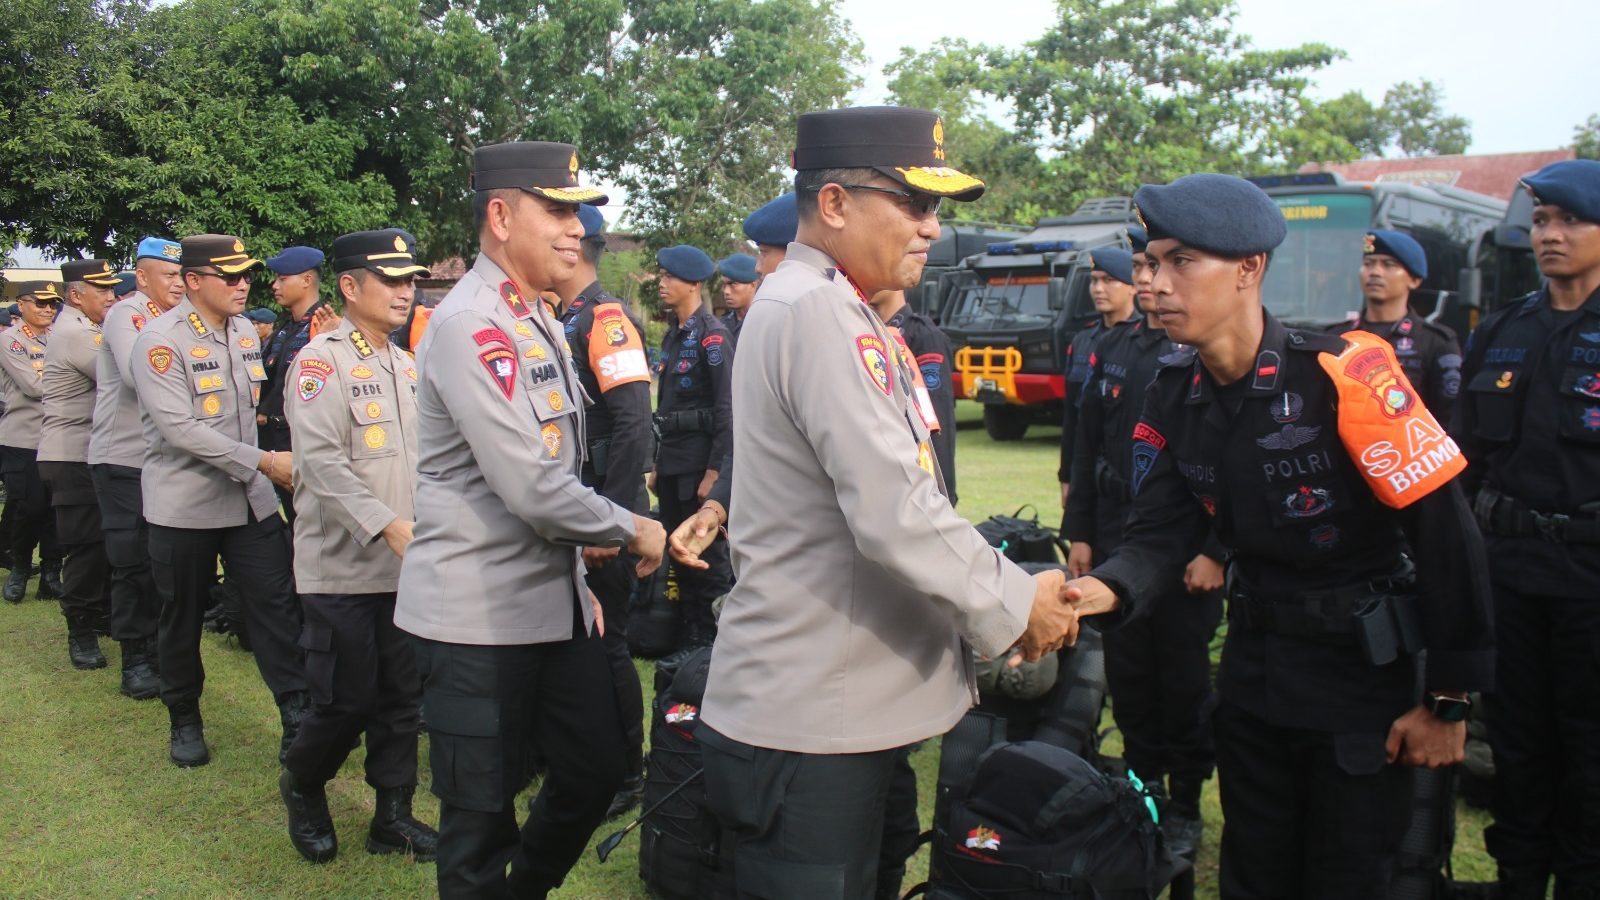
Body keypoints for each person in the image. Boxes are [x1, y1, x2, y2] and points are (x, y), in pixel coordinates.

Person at [1066, 173, 1493, 899]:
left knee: (1348, 876)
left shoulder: (1343, 375)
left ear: (1248, 269)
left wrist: (1449, 702)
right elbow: (1159, 535)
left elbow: (1447, 538)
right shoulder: (1172, 392)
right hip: (1254, 676)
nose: (1155, 284)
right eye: (1153, 264)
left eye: (1181, 262)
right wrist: (1094, 593)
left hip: (1360, 680)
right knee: (1254, 871)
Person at [697, 106, 1085, 898]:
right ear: (835, 203)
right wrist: (1020, 602)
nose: (931, 226)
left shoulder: (837, 306)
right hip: (813, 716)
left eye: (935, 206)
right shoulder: (815, 311)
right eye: (913, 201)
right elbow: (894, 512)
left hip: (845, 703)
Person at [393, 140, 665, 898]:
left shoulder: (534, 315)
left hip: (552, 604)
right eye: (558, 211)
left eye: (579, 214)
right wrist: (633, 526)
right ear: (502, 216)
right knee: (479, 820)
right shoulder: (470, 323)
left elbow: (559, 467)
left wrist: (579, 575)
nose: (577, 229)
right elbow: (534, 487)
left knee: (598, 768)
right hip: (475, 617)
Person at [1452, 158, 1600, 900]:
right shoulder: (1505, 329)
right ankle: (1517, 880)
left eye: (1570, 220)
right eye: (1541, 221)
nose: (1551, 234)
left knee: (1590, 758)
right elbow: (1465, 459)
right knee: (1516, 747)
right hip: (1508, 576)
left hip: (1590, 587)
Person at [277, 228, 438, 865]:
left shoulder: (407, 365)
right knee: (345, 700)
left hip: (406, 570)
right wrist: (389, 525)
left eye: (410, 280)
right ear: (349, 286)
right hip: (342, 570)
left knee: (401, 699)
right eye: (391, 280)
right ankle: (304, 782)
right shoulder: (320, 364)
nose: (405, 291)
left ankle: (391, 816)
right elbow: (319, 465)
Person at [1062, 238, 1223, 855]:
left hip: (1185, 544)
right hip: (1116, 529)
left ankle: (1185, 801)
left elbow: (1230, 465)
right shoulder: (1114, 347)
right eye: (1141, 266)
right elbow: (1086, 444)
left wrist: (1216, 550)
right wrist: (1080, 532)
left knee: (1182, 676)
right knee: (1128, 673)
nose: (1150, 278)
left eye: (1158, 266)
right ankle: (1141, 787)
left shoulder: (1201, 349)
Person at [129, 233, 307, 769]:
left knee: (276, 609)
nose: (243, 284)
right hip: (186, 504)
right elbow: (181, 430)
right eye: (229, 276)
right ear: (193, 281)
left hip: (248, 502)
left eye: (246, 274)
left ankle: (297, 716)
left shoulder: (245, 333)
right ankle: (184, 716)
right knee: (181, 616)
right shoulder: (159, 341)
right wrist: (264, 462)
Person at [548, 202, 654, 820]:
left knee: (607, 644)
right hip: (573, 506)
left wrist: (611, 524)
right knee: (572, 644)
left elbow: (634, 425)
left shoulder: (605, 320)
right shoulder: (561, 318)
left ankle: (628, 772)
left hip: (603, 514)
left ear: (574, 249)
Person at [88, 236, 184, 700]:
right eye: (169, 275)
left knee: (159, 561)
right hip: (123, 456)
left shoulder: (178, 319)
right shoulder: (129, 313)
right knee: (132, 562)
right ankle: (135, 660)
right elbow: (138, 374)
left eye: (181, 275)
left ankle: (157, 650)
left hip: (159, 459)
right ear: (142, 277)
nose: (178, 284)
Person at [37, 259, 120, 670]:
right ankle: (81, 629)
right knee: (88, 546)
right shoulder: (77, 333)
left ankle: (99, 615)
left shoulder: (85, 329)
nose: (111, 297)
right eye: (102, 290)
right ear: (75, 295)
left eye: (112, 289)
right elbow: (126, 374)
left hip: (83, 452)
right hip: (72, 453)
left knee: (103, 543)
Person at [652, 243, 734, 650]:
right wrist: (657, 465)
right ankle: (689, 638)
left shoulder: (712, 336)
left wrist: (715, 473)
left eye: (670, 277)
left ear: (694, 284)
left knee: (707, 561)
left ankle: (710, 645)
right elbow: (667, 407)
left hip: (699, 469)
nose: (661, 283)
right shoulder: (674, 335)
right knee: (679, 555)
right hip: (672, 465)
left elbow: (727, 409)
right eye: (662, 275)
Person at [1332, 229, 1462, 428]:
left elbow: (1449, 416)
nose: (1375, 272)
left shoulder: (1436, 342)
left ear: (1414, 280)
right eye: (1368, 264)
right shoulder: (1336, 337)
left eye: (1388, 265)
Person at [1058, 241, 1139, 511]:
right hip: (1087, 467)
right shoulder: (1082, 341)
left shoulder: (1145, 340)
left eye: (1109, 280)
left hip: (1126, 474)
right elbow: (1071, 418)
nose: (1098, 289)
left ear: (1132, 286)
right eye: (1094, 281)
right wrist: (1066, 476)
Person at [0, 281, 64, 603]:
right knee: (29, 507)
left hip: (60, 437)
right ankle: (20, 567)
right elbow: (33, 385)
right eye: (40, 303)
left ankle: (51, 574)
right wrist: (73, 382)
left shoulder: (59, 337)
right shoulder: (10, 340)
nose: (48, 309)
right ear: (21, 304)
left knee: (57, 509)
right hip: (24, 438)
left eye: (52, 303)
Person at [258, 245, 326, 525]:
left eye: (283, 278)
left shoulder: (324, 327)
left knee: (311, 522)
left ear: (307, 280)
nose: (275, 286)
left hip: (304, 442)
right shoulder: (285, 330)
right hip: (276, 441)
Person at [870, 287, 957, 503]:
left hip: (921, 486)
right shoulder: (869, 332)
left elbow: (938, 420)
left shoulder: (924, 336)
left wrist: (942, 495)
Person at [717, 253, 758, 348]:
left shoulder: (763, 323)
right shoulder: (722, 324)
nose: (726, 291)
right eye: (724, 285)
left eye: (733, 284)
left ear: (752, 285)